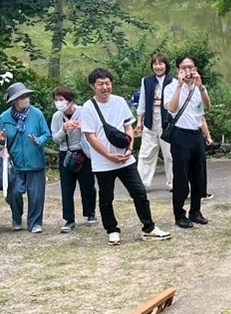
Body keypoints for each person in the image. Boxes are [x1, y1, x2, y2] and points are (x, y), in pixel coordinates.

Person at [81, 68, 170, 246]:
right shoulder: (88, 107)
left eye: (108, 83)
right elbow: (90, 136)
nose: (105, 87)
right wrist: (109, 155)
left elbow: (128, 126)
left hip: (126, 159)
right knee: (106, 198)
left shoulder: (120, 101)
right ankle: (112, 230)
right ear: (92, 86)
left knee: (139, 192)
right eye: (100, 84)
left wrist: (129, 149)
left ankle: (149, 227)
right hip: (103, 163)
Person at [163, 54, 210, 229]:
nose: (188, 71)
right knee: (181, 176)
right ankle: (179, 214)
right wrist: (179, 86)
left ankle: (195, 211)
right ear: (178, 70)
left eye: (191, 67)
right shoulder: (170, 87)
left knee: (199, 175)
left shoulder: (199, 87)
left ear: (195, 69)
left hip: (196, 135)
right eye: (184, 68)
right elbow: (171, 108)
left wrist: (201, 88)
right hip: (180, 135)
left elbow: (207, 107)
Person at [0, 82, 50, 234]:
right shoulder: (5, 117)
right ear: (14, 100)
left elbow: (46, 134)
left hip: (35, 161)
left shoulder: (37, 114)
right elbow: (1, 139)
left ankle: (35, 223)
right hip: (15, 163)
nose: (25, 99)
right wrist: (2, 140)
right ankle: (16, 217)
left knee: (36, 195)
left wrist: (38, 141)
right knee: (14, 192)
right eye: (22, 97)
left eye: (27, 96)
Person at [50, 86, 97, 232]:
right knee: (67, 188)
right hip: (66, 154)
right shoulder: (57, 117)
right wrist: (63, 130)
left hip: (83, 153)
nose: (58, 103)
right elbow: (55, 139)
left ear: (70, 101)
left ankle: (90, 213)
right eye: (56, 100)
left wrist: (82, 127)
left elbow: (94, 130)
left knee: (87, 185)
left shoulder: (83, 112)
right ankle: (69, 219)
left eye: (61, 99)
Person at [135, 53, 175, 191]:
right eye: (155, 64)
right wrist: (139, 120)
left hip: (167, 121)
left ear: (166, 65)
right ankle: (142, 183)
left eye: (161, 63)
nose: (158, 67)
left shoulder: (173, 82)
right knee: (146, 153)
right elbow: (142, 101)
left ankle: (173, 182)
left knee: (170, 154)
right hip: (150, 119)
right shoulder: (146, 81)